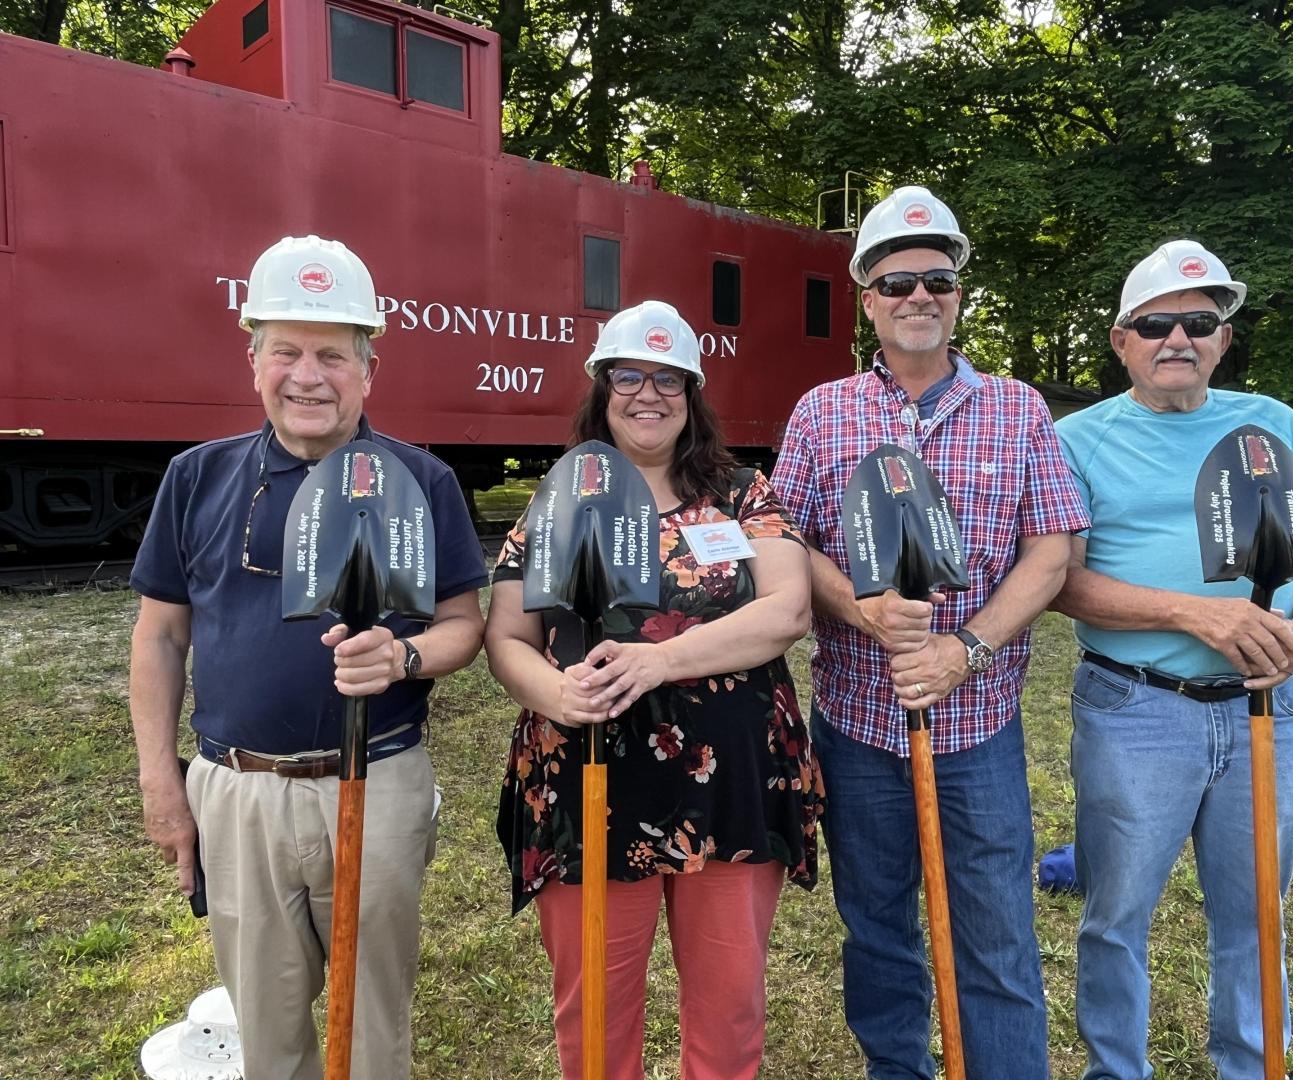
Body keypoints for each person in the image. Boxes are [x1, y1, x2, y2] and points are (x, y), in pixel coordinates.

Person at [129, 234, 488, 1080]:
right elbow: (160, 635)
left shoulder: (422, 481)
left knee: (371, 1028)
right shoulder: (195, 477)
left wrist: (403, 659)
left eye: (333, 353)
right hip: (236, 789)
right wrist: (160, 784)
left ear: (371, 368)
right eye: (285, 350)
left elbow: (463, 624)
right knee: (268, 1029)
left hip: (377, 781)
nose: (307, 375)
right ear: (253, 358)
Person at [771, 185, 1089, 1080]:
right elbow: (782, 538)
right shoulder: (820, 413)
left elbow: (1051, 552)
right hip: (861, 727)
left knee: (994, 933)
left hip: (979, 728)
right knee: (877, 928)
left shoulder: (1020, 409)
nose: (920, 296)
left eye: (937, 280)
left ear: (958, 295)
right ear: (865, 295)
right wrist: (859, 608)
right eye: (897, 280)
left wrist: (966, 649)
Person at [485, 299, 823, 1080]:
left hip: (730, 781)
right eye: (628, 376)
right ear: (602, 391)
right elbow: (507, 638)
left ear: (693, 394)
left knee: (729, 1002)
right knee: (595, 1010)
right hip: (587, 778)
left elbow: (788, 608)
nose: (649, 394)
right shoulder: (556, 502)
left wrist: (659, 662)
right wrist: (553, 695)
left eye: (668, 378)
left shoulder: (742, 494)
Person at [1051, 239, 1293, 1080]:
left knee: (1256, 914)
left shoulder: (1275, 425)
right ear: (1121, 342)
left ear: (1224, 337)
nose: (1176, 339)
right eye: (1155, 324)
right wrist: (1195, 613)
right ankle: (1116, 1072)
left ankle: (1254, 1069)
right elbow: (1060, 581)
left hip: (1268, 710)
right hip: (1136, 709)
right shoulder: (1075, 439)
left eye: (1199, 322)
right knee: (1116, 916)